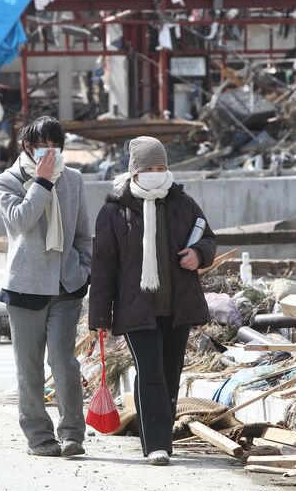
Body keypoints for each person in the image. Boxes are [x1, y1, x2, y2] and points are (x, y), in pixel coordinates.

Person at [89, 136, 216, 466]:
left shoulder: (183, 203)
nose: (157, 174)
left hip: (177, 307)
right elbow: (103, 267)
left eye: (162, 167)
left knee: (171, 373)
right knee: (151, 373)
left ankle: (161, 434)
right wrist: (99, 318)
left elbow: (209, 239)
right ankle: (157, 445)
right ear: (134, 172)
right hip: (136, 309)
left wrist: (198, 254)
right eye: (149, 168)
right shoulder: (115, 211)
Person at [0, 116, 92, 457]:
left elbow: (83, 232)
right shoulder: (6, 181)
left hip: (66, 285)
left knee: (65, 363)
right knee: (29, 366)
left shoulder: (75, 179)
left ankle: (73, 434)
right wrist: (42, 182)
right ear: (27, 146)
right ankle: (38, 437)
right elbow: (22, 220)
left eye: (56, 146)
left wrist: (84, 269)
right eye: (43, 146)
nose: (50, 152)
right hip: (25, 287)